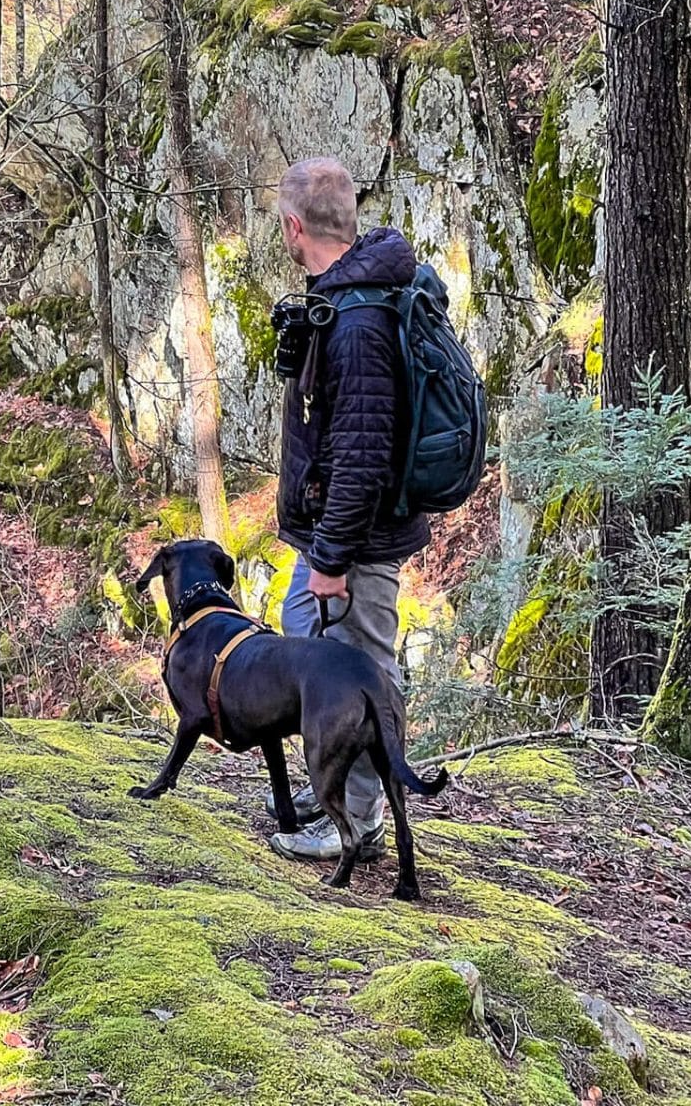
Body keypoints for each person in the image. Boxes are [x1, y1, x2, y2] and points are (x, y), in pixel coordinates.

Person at [267, 156, 427, 864]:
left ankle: (355, 824)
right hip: (332, 535)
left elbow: (362, 456)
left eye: (282, 227)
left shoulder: (361, 322)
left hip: (355, 543)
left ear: (295, 226)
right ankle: (331, 788)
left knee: (361, 674)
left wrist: (331, 558)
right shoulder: (343, 297)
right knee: (304, 639)